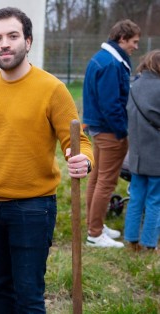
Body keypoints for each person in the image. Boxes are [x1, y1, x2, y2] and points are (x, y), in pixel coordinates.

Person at [0, 7, 94, 314]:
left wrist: (83, 161)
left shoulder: (52, 88)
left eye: (12, 36)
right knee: (1, 290)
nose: (4, 44)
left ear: (27, 40)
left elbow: (79, 142)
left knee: (28, 297)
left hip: (34, 207)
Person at [83, 19, 141, 248]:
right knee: (106, 182)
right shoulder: (110, 63)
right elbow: (111, 104)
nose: (136, 47)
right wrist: (122, 132)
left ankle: (94, 224)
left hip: (99, 128)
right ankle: (95, 234)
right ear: (122, 38)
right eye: (134, 42)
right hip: (109, 131)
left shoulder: (103, 58)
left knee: (97, 178)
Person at [124, 50, 160, 253]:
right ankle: (149, 243)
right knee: (155, 200)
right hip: (157, 154)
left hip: (137, 154)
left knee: (136, 198)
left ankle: (131, 240)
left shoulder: (134, 86)